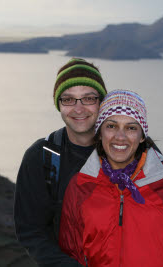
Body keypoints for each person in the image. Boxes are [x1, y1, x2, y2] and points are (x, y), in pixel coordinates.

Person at [59, 90, 163, 267]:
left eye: (131, 128)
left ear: (142, 136)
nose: (120, 137)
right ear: (100, 133)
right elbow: (70, 255)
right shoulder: (80, 186)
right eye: (111, 126)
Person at [14, 58, 107, 266]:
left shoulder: (129, 150)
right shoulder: (41, 156)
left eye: (88, 98)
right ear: (59, 104)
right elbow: (31, 231)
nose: (79, 108)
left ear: (101, 101)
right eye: (68, 99)